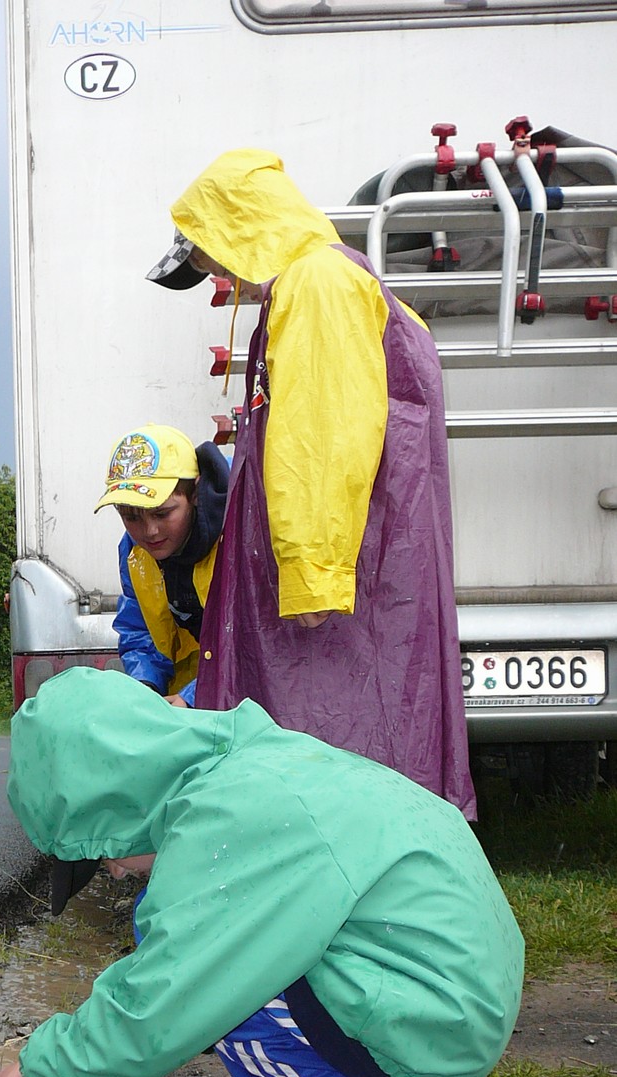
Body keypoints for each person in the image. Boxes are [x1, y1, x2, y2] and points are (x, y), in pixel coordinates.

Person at [0, 669, 523, 1077]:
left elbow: (167, 994)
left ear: (117, 809)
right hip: (442, 993)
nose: (115, 870)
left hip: (438, 1030)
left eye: (104, 856)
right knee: (203, 931)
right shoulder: (248, 766)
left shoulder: (233, 820)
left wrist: (37, 1073)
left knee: (202, 954)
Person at [146, 149, 476, 818]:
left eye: (210, 255)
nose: (216, 272)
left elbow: (326, 438)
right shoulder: (318, 282)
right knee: (348, 750)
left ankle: (348, 906)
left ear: (241, 228)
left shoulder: (318, 283)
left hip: (339, 588)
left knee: (340, 750)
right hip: (355, 576)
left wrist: (314, 572)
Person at [97, 424, 230, 706]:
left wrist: (193, 697)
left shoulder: (235, 537)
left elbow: (252, 642)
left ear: (194, 493)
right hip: (195, 686)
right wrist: (145, 688)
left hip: (254, 697)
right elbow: (140, 629)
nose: (150, 532)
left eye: (163, 513)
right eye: (131, 517)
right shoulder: (134, 550)